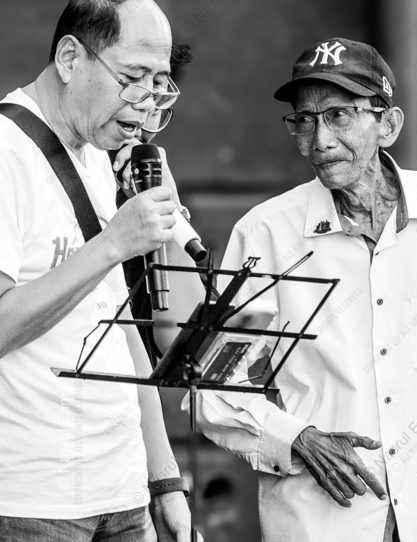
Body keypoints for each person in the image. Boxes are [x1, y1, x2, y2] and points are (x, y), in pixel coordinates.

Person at [191, 37, 417, 542]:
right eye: (304, 120)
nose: (318, 140)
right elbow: (211, 388)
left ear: (388, 124)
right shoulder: (265, 234)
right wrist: (297, 439)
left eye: (339, 115)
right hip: (325, 522)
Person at [0, 1, 197, 540]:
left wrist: (165, 480)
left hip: (123, 491)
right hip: (31, 503)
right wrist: (113, 244)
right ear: (70, 58)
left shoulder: (97, 155)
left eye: (159, 84)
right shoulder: (7, 152)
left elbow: (121, 328)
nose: (145, 103)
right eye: (132, 78)